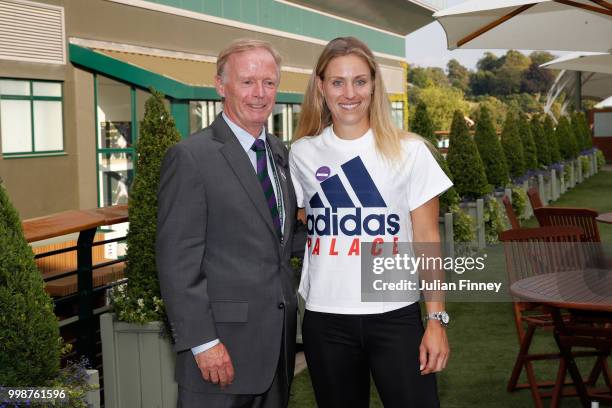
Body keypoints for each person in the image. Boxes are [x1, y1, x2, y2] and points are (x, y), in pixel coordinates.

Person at [289, 36, 452, 408]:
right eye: (337, 82)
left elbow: (427, 239)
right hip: (325, 321)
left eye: (360, 81)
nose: (350, 93)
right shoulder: (300, 154)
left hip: (396, 318)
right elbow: (297, 225)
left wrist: (436, 320)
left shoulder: (410, 152)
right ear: (320, 86)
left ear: (375, 84)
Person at [156, 39, 298, 408]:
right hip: (220, 355)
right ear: (221, 86)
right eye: (247, 81)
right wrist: (203, 342)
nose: (260, 93)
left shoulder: (280, 154)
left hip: (276, 351)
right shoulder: (190, 157)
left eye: (269, 82)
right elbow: (176, 261)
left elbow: (276, 244)